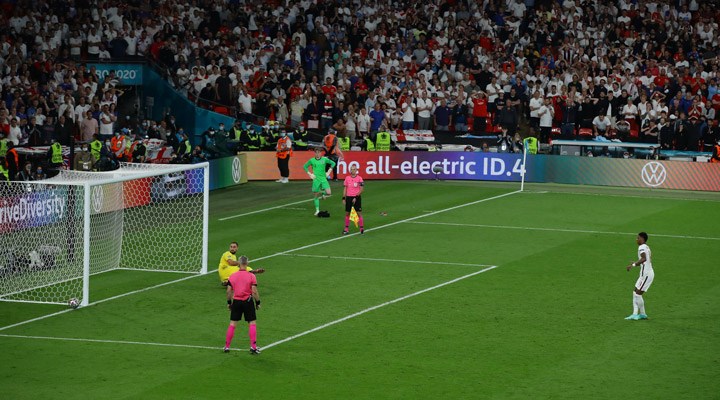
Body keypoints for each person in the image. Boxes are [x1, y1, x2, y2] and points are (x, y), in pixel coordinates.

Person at [224, 255, 262, 354]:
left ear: (239, 263)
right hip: (248, 301)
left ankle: (227, 346)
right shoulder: (251, 276)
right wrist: (258, 302)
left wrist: (229, 303)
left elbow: (228, 291)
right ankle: (253, 347)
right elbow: (254, 291)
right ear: (247, 263)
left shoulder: (232, 276)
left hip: (236, 302)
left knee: (232, 324)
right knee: (252, 323)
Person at [625, 232, 654, 321]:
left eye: (638, 238)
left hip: (646, 274)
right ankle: (635, 314)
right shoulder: (646, 247)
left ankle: (642, 314)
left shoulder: (641, 247)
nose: (636, 239)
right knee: (635, 292)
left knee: (638, 294)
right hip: (644, 274)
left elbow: (644, 258)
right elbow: (645, 261)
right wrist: (635, 263)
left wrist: (633, 265)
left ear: (642, 238)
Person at [303, 147, 336, 216]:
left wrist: (328, 172)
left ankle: (323, 193)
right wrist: (310, 174)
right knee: (316, 195)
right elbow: (305, 166)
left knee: (329, 193)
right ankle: (317, 210)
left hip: (323, 179)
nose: (317, 154)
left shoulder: (324, 159)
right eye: (316, 152)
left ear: (321, 153)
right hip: (316, 179)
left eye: (319, 152)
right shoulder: (312, 160)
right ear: (314, 153)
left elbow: (333, 163)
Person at [342, 165, 364, 235]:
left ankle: (361, 228)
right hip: (349, 198)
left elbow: (362, 189)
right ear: (350, 170)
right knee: (347, 213)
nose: (352, 171)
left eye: (354, 169)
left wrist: (356, 197)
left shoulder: (360, 178)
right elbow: (345, 188)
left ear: (356, 170)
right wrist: (343, 198)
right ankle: (346, 229)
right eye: (351, 169)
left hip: (357, 198)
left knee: (359, 213)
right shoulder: (347, 178)